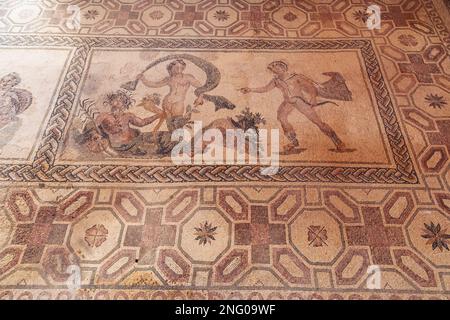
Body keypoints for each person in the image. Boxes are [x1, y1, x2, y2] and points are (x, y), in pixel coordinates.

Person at [240, 60, 348, 153]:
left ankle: (338, 142)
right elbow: (265, 89)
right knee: (281, 117)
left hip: (300, 101)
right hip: (288, 102)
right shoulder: (276, 80)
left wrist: (313, 98)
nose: (274, 71)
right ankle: (294, 142)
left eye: (275, 68)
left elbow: (310, 87)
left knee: (317, 122)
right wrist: (251, 89)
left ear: (282, 68)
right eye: (272, 70)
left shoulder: (295, 77)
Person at [137, 59, 204, 132]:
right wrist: (143, 79)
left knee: (178, 125)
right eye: (176, 67)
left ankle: (178, 141)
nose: (178, 69)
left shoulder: (187, 77)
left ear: (183, 68)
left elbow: (200, 87)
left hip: (178, 103)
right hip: (167, 103)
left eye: (180, 67)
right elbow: (154, 84)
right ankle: (172, 141)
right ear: (172, 68)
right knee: (170, 126)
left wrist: (200, 98)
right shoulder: (169, 79)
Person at [94, 90, 159, 152]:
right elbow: (94, 127)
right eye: (116, 99)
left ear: (125, 104)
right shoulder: (103, 116)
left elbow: (142, 123)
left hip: (130, 144)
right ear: (111, 101)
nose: (118, 102)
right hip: (113, 145)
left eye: (121, 100)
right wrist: (99, 135)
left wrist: (157, 116)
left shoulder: (128, 116)